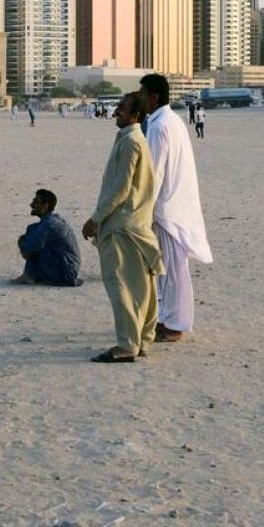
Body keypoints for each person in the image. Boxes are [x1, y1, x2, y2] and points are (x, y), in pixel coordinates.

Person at [82, 93, 161, 362]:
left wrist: (96, 218)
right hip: (137, 223)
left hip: (123, 226)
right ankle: (144, 340)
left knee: (122, 285)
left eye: (122, 109)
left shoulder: (131, 142)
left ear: (135, 115)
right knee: (142, 286)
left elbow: (120, 188)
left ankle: (127, 345)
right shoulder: (134, 139)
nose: (116, 112)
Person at [139, 73, 213, 344]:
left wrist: (143, 210)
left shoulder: (160, 127)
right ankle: (169, 319)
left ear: (154, 97)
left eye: (143, 94)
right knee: (169, 269)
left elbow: (153, 174)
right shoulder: (172, 120)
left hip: (167, 208)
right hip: (174, 204)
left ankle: (174, 325)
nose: (142, 100)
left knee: (171, 269)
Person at [13, 188, 81, 286]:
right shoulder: (50, 221)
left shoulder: (49, 224)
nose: (31, 205)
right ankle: (30, 275)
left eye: (36, 202)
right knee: (32, 230)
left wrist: (21, 242)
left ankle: (29, 275)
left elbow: (29, 250)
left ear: (45, 206)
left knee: (34, 242)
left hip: (66, 273)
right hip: (67, 269)